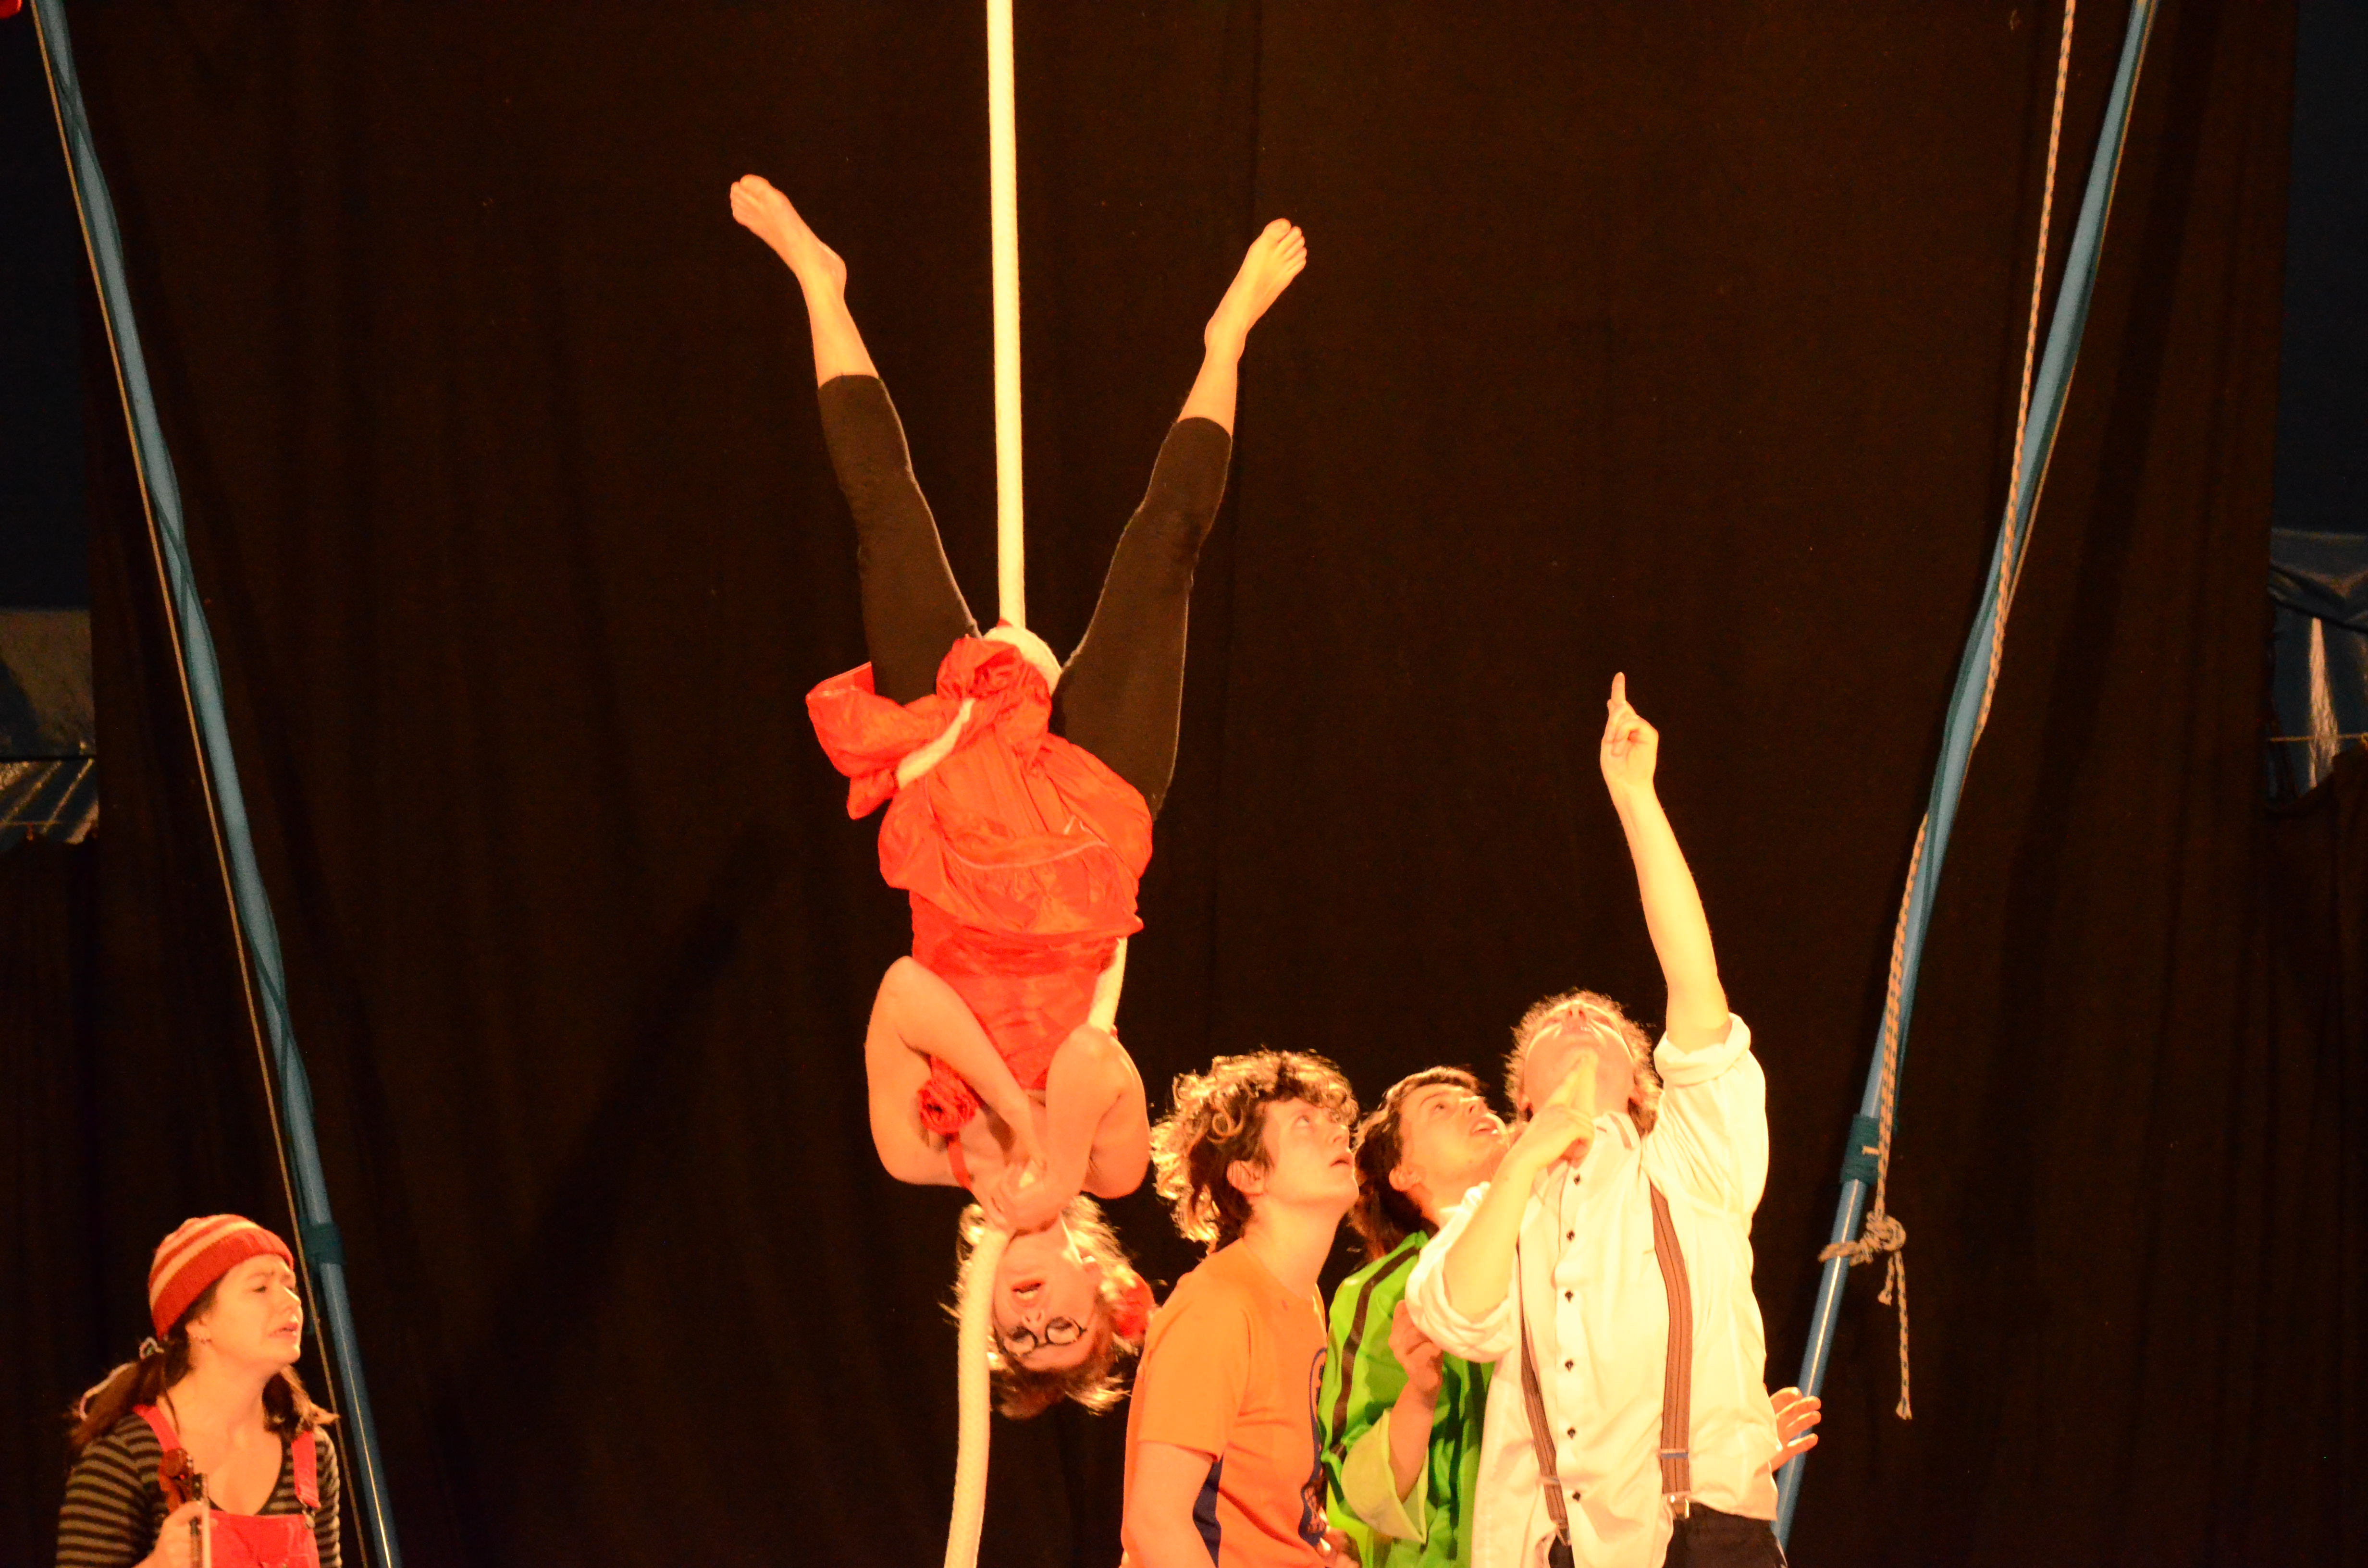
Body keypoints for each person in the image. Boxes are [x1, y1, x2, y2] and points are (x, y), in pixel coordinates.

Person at [730, 175, 1303, 1412]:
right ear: (1108, 1290)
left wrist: (994, 1119)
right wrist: (1042, 1152)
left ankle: (820, 286)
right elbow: (1090, 1050)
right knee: (1165, 553)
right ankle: (1227, 341)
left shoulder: (912, 1155)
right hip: (1091, 842)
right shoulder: (1113, 1164)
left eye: (1020, 1335)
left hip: (957, 832)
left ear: (982, 1308)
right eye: (1066, 1329)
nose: (1038, 1313)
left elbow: (908, 992)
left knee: (886, 523)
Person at [1406, 676, 1790, 1568]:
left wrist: (1635, 797)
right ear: (1521, 1098)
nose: (1577, 1013)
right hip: (1552, 1550)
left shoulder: (1692, 1162)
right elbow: (1459, 1316)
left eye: (1604, 1023)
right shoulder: (1504, 1210)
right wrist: (1523, 1160)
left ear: (1645, 1081)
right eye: (1552, 1024)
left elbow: (1694, 982)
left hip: (1702, 1540)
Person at [1327, 1068, 1820, 1568]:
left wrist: (1723, 1451)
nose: (1475, 1106)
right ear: (1402, 1172)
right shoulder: (1385, 1291)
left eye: (1478, 1099)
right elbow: (1360, 1495)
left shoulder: (1574, 1248)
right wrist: (1420, 1394)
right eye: (1440, 1108)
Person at [1122, 1051, 1362, 1568]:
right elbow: (1156, 1521)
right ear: (1249, 1175)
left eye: (1333, 1121)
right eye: (1304, 1124)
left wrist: (1315, 1540)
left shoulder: (1302, 1300)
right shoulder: (1218, 1307)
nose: (1339, 1134)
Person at [56, 1215, 342, 1568]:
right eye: (260, 1288)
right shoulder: (126, 1454)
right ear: (198, 1321)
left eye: (290, 1285)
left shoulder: (310, 1452)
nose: (291, 1302)